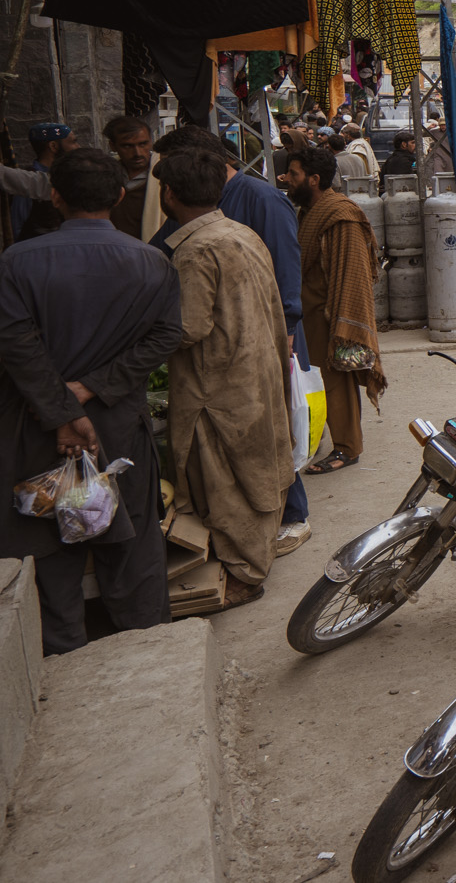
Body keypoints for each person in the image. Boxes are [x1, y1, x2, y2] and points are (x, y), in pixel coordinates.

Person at [0, 148, 182, 654]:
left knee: (46, 548)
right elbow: (166, 337)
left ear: (54, 196)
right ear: (120, 196)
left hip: (37, 432)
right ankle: (147, 652)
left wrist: (63, 407)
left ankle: (61, 658)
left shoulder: (16, 261)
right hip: (116, 429)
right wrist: (94, 388)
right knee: (129, 543)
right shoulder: (152, 262)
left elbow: (16, 345)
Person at [153, 126, 313, 551]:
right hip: (231, 340)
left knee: (270, 425)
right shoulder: (195, 209)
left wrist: (290, 333)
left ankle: (291, 515)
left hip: (267, 332)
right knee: (251, 434)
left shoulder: (261, 199)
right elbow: (159, 254)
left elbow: (285, 271)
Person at [285, 146, 386, 472]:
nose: (287, 179)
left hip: (330, 316)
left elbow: (352, 273)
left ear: (314, 179)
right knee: (315, 383)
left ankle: (347, 448)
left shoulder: (341, 215)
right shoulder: (310, 211)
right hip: (308, 316)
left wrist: (344, 322)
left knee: (335, 381)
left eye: (294, 174)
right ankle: (321, 439)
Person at [0, 121, 78, 241]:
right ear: (53, 146)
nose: (78, 147)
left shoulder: (70, 176)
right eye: (73, 142)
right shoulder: (27, 185)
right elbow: (17, 228)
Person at [102, 115, 153, 238]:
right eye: (127, 146)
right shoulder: (105, 176)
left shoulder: (163, 176)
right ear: (113, 146)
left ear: (151, 142)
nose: (137, 153)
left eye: (143, 144)